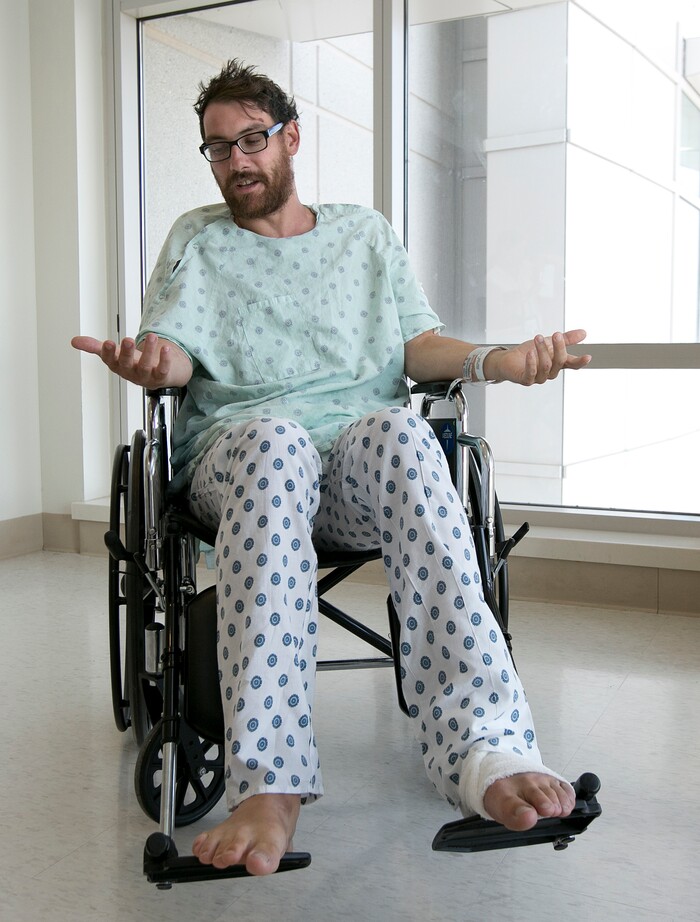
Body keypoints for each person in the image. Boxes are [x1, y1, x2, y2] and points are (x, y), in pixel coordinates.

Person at [73, 60, 592, 877]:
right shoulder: (198, 240)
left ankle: (485, 749)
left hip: (351, 465)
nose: (237, 161)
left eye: (252, 140)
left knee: (405, 433)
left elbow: (417, 347)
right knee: (277, 443)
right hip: (240, 459)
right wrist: (149, 364)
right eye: (218, 148)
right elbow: (174, 353)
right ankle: (269, 781)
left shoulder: (364, 234)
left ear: (292, 137)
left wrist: (496, 361)